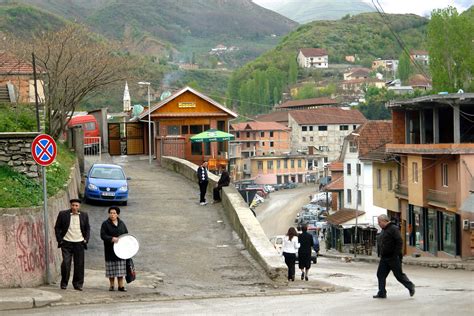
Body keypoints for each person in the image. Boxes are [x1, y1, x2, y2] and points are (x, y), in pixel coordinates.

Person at [374, 214, 415, 299]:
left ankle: (410, 286)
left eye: (379, 222)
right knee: (380, 274)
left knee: (398, 275)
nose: (378, 224)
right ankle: (382, 293)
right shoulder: (384, 230)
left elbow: (399, 242)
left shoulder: (393, 228)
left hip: (393, 257)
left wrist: (396, 254)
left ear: (385, 221)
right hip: (385, 257)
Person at [54, 198, 90, 291]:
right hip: (66, 242)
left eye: (76, 205)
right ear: (70, 205)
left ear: (79, 206)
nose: (74, 207)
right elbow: (57, 227)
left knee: (79, 265)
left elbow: (87, 228)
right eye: (73, 205)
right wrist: (60, 240)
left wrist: (86, 239)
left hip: (79, 243)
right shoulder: (63, 214)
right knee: (66, 263)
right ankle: (64, 283)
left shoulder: (84, 215)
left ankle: (78, 284)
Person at [100, 206, 129, 292]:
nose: (112, 215)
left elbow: (126, 234)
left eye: (114, 213)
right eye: (111, 213)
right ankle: (112, 285)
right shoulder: (105, 224)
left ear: (118, 214)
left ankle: (121, 286)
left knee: (120, 269)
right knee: (111, 269)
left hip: (120, 250)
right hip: (110, 249)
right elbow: (103, 235)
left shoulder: (122, 223)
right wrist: (111, 239)